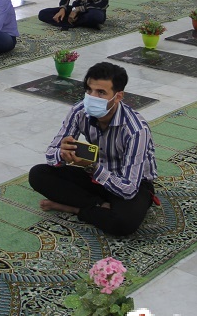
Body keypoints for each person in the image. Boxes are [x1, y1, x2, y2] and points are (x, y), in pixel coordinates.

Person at [28, 62, 157, 236]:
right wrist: (62, 154)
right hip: (95, 175)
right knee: (38, 174)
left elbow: (129, 189)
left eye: (101, 92)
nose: (92, 97)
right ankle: (99, 205)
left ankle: (75, 208)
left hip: (130, 182)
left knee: (124, 223)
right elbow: (51, 154)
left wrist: (92, 167)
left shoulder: (135, 130)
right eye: (89, 90)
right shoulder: (79, 111)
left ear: (118, 96)